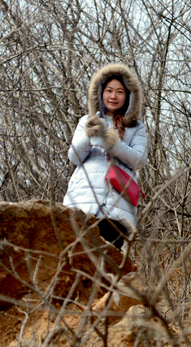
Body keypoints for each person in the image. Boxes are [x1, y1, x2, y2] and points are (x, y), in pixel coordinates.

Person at [63, 64, 149, 249]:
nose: (113, 96)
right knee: (76, 263)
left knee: (107, 267)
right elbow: (74, 157)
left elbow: (139, 160)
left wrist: (113, 144)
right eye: (109, 90)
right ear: (100, 92)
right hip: (81, 203)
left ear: (128, 97)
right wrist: (90, 135)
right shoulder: (86, 121)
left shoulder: (136, 127)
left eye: (119, 91)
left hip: (116, 208)